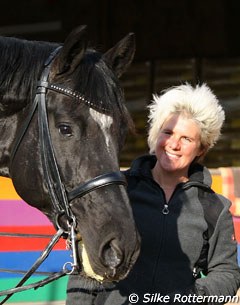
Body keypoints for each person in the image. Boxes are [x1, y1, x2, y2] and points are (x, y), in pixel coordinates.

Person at [66, 83, 240, 304]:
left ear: (201, 149)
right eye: (167, 133)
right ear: (156, 134)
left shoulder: (215, 208)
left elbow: (227, 273)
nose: (173, 144)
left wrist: (190, 297)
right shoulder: (118, 191)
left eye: (186, 139)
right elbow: (86, 269)